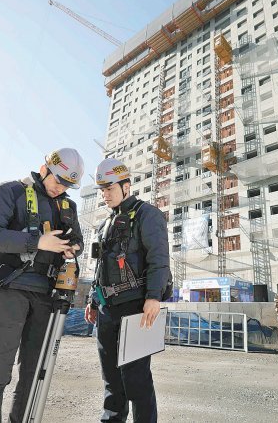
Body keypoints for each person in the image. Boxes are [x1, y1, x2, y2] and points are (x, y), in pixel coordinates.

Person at [0, 148, 85, 423]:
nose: (61, 189)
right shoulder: (10, 192)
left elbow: (77, 239)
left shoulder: (68, 206)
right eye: (58, 181)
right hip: (9, 289)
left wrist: (73, 248)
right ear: (45, 168)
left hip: (46, 295)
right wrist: (37, 242)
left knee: (34, 375)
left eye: (68, 185)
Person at [85, 158, 171, 423]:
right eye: (102, 189)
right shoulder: (105, 224)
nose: (105, 194)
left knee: (136, 380)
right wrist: (92, 300)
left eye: (109, 188)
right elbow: (100, 267)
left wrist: (153, 296)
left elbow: (159, 259)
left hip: (136, 309)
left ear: (126, 186)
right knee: (111, 379)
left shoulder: (147, 214)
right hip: (107, 310)